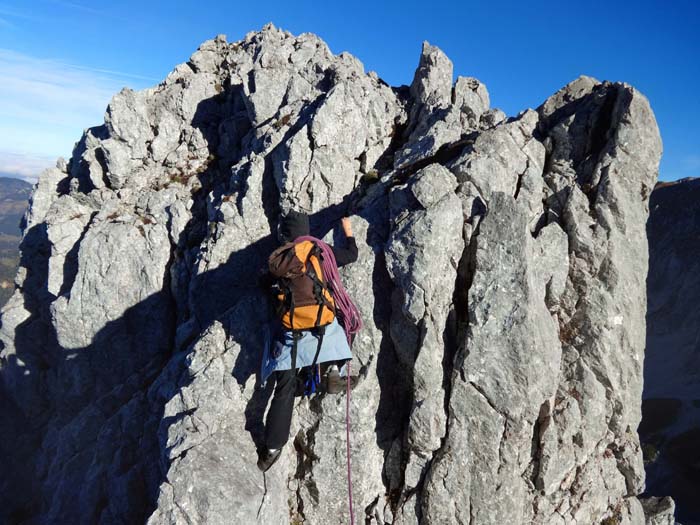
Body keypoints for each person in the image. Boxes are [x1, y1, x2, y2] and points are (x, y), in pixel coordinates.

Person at [257, 211, 360, 472]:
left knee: (285, 386)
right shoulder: (320, 252)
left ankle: (271, 449)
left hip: (292, 332)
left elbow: (263, 285)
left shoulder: (280, 259)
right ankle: (334, 372)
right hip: (323, 326)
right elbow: (352, 255)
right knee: (345, 320)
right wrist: (348, 232)